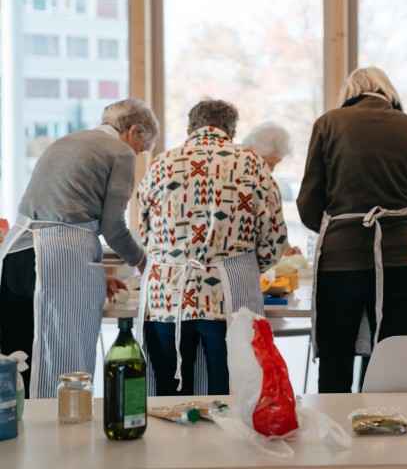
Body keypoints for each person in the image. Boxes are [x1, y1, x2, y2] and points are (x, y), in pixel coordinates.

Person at [297, 66, 407, 393]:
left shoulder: (328, 124)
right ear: (388, 92)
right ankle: (385, 426)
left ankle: (334, 429)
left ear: (349, 94)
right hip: (399, 257)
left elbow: (308, 203)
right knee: (390, 354)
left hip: (340, 257)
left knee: (336, 355)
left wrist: (332, 226)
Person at [0, 99, 158, 398]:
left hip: (14, 255)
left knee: (18, 359)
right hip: (57, 257)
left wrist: (97, 276)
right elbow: (113, 227)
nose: (139, 154)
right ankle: (64, 438)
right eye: (143, 147)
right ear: (134, 130)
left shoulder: (65, 140)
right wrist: (144, 263)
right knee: (64, 360)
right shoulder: (120, 151)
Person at [137, 99, 287, 395]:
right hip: (229, 293)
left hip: (168, 297)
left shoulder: (160, 163)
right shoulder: (250, 162)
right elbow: (274, 236)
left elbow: (144, 232)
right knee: (232, 393)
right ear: (231, 131)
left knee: (170, 394)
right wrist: (248, 265)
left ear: (189, 129)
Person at [242, 122, 302, 256]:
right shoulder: (238, 173)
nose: (272, 169)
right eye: (269, 162)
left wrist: (285, 248)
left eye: (276, 163)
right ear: (253, 150)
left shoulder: (261, 177)